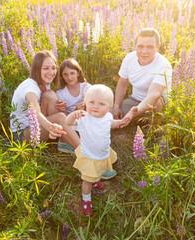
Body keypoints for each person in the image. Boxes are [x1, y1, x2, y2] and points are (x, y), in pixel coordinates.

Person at [65, 84, 130, 216]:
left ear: (109, 108)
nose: (95, 106)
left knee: (100, 169)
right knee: (87, 180)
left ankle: (95, 181)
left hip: (102, 154)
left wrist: (121, 122)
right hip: (90, 156)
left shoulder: (107, 117)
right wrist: (72, 115)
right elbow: (67, 123)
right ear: (85, 103)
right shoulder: (83, 118)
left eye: (101, 104)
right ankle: (86, 199)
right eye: (92, 102)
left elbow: (111, 124)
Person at [56, 59, 117, 180]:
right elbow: (64, 118)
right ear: (62, 76)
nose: (69, 77)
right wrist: (74, 112)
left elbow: (97, 103)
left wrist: (85, 107)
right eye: (65, 74)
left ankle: (103, 155)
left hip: (90, 121)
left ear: (78, 73)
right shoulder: (61, 93)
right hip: (75, 124)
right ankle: (93, 162)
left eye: (72, 73)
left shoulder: (86, 87)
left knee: (105, 108)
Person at [10, 50, 79, 153]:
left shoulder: (44, 83)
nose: (51, 73)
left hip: (35, 127)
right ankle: (86, 155)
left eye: (53, 68)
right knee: (60, 117)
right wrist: (50, 126)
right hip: (21, 135)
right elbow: (36, 112)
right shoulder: (29, 88)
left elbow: (46, 103)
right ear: (37, 69)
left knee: (50, 95)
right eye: (46, 68)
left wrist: (61, 106)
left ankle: (65, 142)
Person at [113, 28, 173, 126]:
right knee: (108, 115)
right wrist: (116, 106)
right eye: (140, 46)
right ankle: (139, 118)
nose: (144, 51)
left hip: (158, 103)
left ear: (158, 47)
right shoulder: (129, 58)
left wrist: (133, 113)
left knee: (154, 104)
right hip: (135, 101)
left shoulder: (163, 64)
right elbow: (122, 83)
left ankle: (152, 126)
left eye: (150, 47)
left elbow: (154, 94)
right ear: (135, 46)